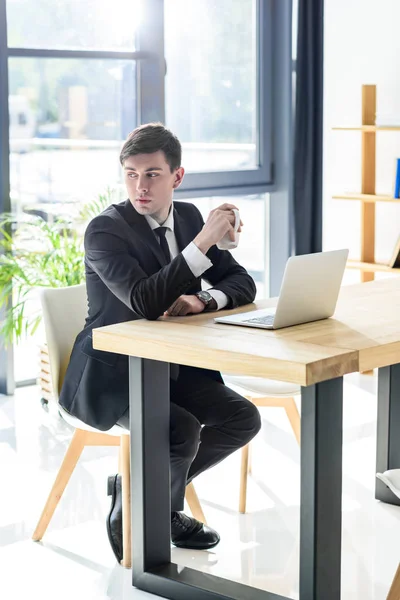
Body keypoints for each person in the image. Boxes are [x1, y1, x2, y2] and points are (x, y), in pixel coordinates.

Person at [59, 123, 261, 561]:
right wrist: (205, 241)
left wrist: (202, 298)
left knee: (242, 418)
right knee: (181, 429)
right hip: (115, 372)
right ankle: (160, 509)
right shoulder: (105, 231)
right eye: (131, 174)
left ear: (177, 176)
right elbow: (145, 301)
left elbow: (242, 282)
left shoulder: (187, 217)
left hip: (174, 364)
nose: (140, 186)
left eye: (152, 174)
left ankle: (138, 495)